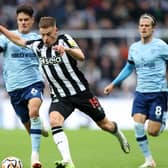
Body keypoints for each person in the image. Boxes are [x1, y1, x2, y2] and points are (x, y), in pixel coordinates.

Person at [0, 16, 130, 168]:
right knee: (54, 121)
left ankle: (119, 135)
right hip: (60, 96)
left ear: (56, 30)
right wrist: (1, 28)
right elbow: (19, 40)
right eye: (42, 34)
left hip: (81, 93)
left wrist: (67, 50)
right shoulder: (37, 46)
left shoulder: (64, 39)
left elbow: (81, 56)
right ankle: (68, 160)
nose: (45, 38)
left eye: (49, 34)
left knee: (105, 125)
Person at [104, 13, 168, 168]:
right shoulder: (134, 48)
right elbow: (128, 68)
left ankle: (163, 119)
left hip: (158, 93)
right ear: (138, 28)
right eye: (141, 25)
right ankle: (149, 160)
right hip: (140, 93)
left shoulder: (161, 46)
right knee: (138, 124)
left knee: (153, 131)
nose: (144, 28)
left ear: (153, 29)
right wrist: (113, 83)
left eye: (147, 25)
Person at [0, 4, 48, 168]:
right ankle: (37, 124)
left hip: (33, 82)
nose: (23, 22)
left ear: (32, 20)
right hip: (14, 88)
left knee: (34, 110)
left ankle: (35, 157)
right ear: (17, 20)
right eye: (20, 20)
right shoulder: (6, 37)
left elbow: (21, 43)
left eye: (26, 20)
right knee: (28, 124)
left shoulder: (37, 37)